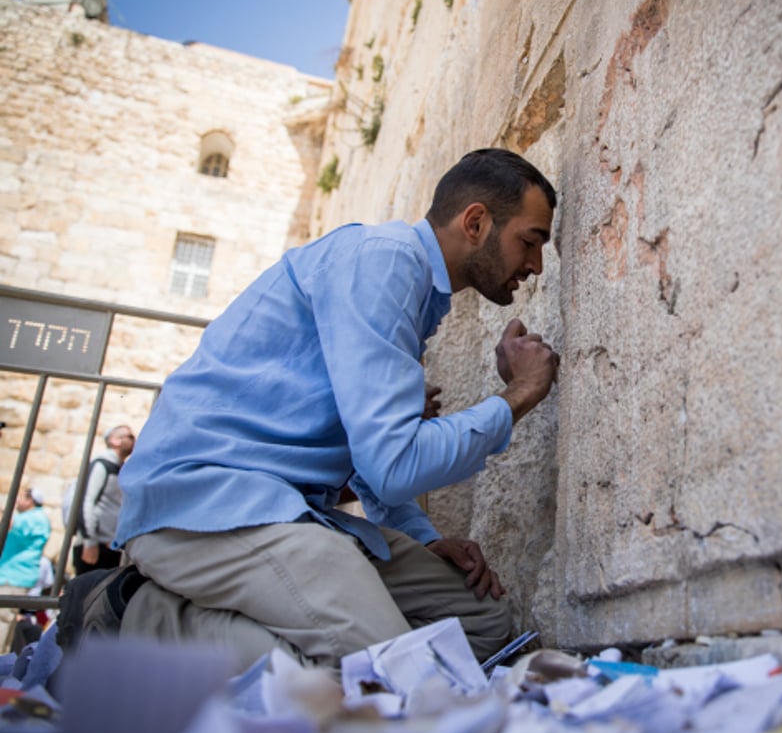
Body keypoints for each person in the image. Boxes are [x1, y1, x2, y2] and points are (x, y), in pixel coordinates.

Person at [88, 148, 559, 669]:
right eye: (530, 241)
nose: (535, 265)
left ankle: (245, 625)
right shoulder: (385, 261)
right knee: (390, 672)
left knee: (480, 622)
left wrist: (426, 540)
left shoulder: (415, 293)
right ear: (476, 222)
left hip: (293, 515)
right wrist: (516, 396)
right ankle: (147, 614)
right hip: (207, 505)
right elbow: (396, 464)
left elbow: (372, 463)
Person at [71, 424, 135, 575]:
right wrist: (90, 542)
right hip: (95, 546)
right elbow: (85, 501)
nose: (134, 440)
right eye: (130, 437)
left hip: (110, 547)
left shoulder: (120, 468)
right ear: (115, 440)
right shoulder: (101, 465)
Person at [0, 486, 51, 651]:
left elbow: (9, 522)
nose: (18, 501)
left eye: (20, 497)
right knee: (7, 619)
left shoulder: (33, 518)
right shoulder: (37, 518)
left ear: (30, 500)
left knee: (3, 619)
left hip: (13, 576)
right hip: (16, 575)